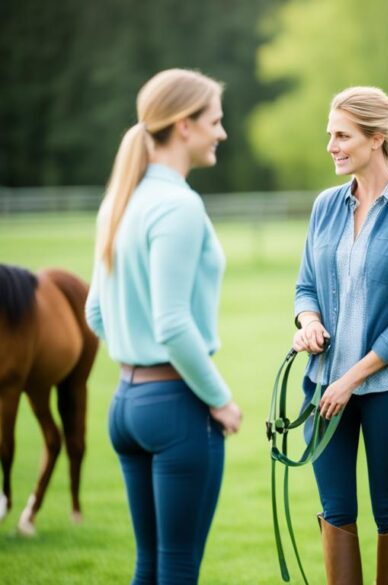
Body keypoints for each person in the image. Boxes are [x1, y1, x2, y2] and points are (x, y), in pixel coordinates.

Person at [84, 68, 243, 585]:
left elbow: (96, 312)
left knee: (149, 566)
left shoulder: (120, 200)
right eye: (214, 121)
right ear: (184, 126)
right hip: (176, 410)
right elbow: (172, 323)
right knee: (176, 569)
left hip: (126, 406)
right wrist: (219, 398)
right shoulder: (178, 206)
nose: (221, 132)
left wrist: (136, 353)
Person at [292, 86, 388, 584]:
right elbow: (305, 286)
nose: (332, 146)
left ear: (377, 138)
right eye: (330, 135)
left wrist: (350, 381)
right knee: (336, 512)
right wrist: (309, 322)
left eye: (343, 135)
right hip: (325, 385)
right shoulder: (325, 206)